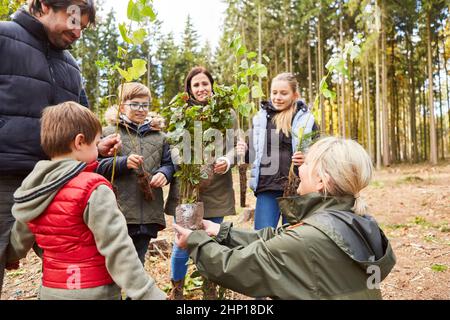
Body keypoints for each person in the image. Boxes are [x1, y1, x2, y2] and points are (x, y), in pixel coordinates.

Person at [174, 137, 396, 300]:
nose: (299, 167)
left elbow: (238, 266)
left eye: (306, 163)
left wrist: (195, 241)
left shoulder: (307, 240)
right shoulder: (357, 221)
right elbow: (278, 238)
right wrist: (220, 231)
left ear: (321, 180)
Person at [0, 0, 120, 297]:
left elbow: (83, 122)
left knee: (86, 265)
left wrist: (97, 144)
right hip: (4, 182)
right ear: (43, 5)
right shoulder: (3, 38)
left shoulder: (71, 66)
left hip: (59, 185)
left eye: (84, 26)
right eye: (74, 19)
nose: (79, 32)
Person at [5, 102, 166, 300]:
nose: (98, 150)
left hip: (50, 291)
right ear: (80, 142)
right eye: (96, 142)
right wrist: (147, 292)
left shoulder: (34, 188)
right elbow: (118, 247)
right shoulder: (93, 188)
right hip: (95, 292)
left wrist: (10, 257)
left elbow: (18, 240)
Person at [165, 66, 237, 300]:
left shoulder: (227, 113)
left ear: (212, 86)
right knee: (182, 243)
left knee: (211, 242)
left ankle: (210, 290)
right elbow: (172, 146)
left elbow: (237, 146)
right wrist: (183, 165)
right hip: (187, 190)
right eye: (196, 85)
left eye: (205, 83)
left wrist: (227, 159)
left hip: (216, 189)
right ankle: (177, 290)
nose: (201, 88)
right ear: (189, 89)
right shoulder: (180, 113)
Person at [103, 83, 175, 265]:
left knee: (138, 262)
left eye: (145, 105)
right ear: (122, 106)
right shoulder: (109, 133)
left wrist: (164, 174)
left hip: (148, 211)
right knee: (116, 263)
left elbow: (168, 164)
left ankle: (133, 295)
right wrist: (122, 163)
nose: (141, 109)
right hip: (119, 212)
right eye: (135, 104)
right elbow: (96, 166)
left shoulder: (160, 137)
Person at [237, 72, 317, 231]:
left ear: (295, 95)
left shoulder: (306, 120)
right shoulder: (261, 118)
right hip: (267, 187)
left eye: (283, 93)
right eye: (274, 93)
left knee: (293, 238)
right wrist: (244, 151)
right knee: (262, 237)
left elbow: (319, 150)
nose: (278, 97)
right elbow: (254, 153)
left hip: (296, 189)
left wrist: (307, 158)